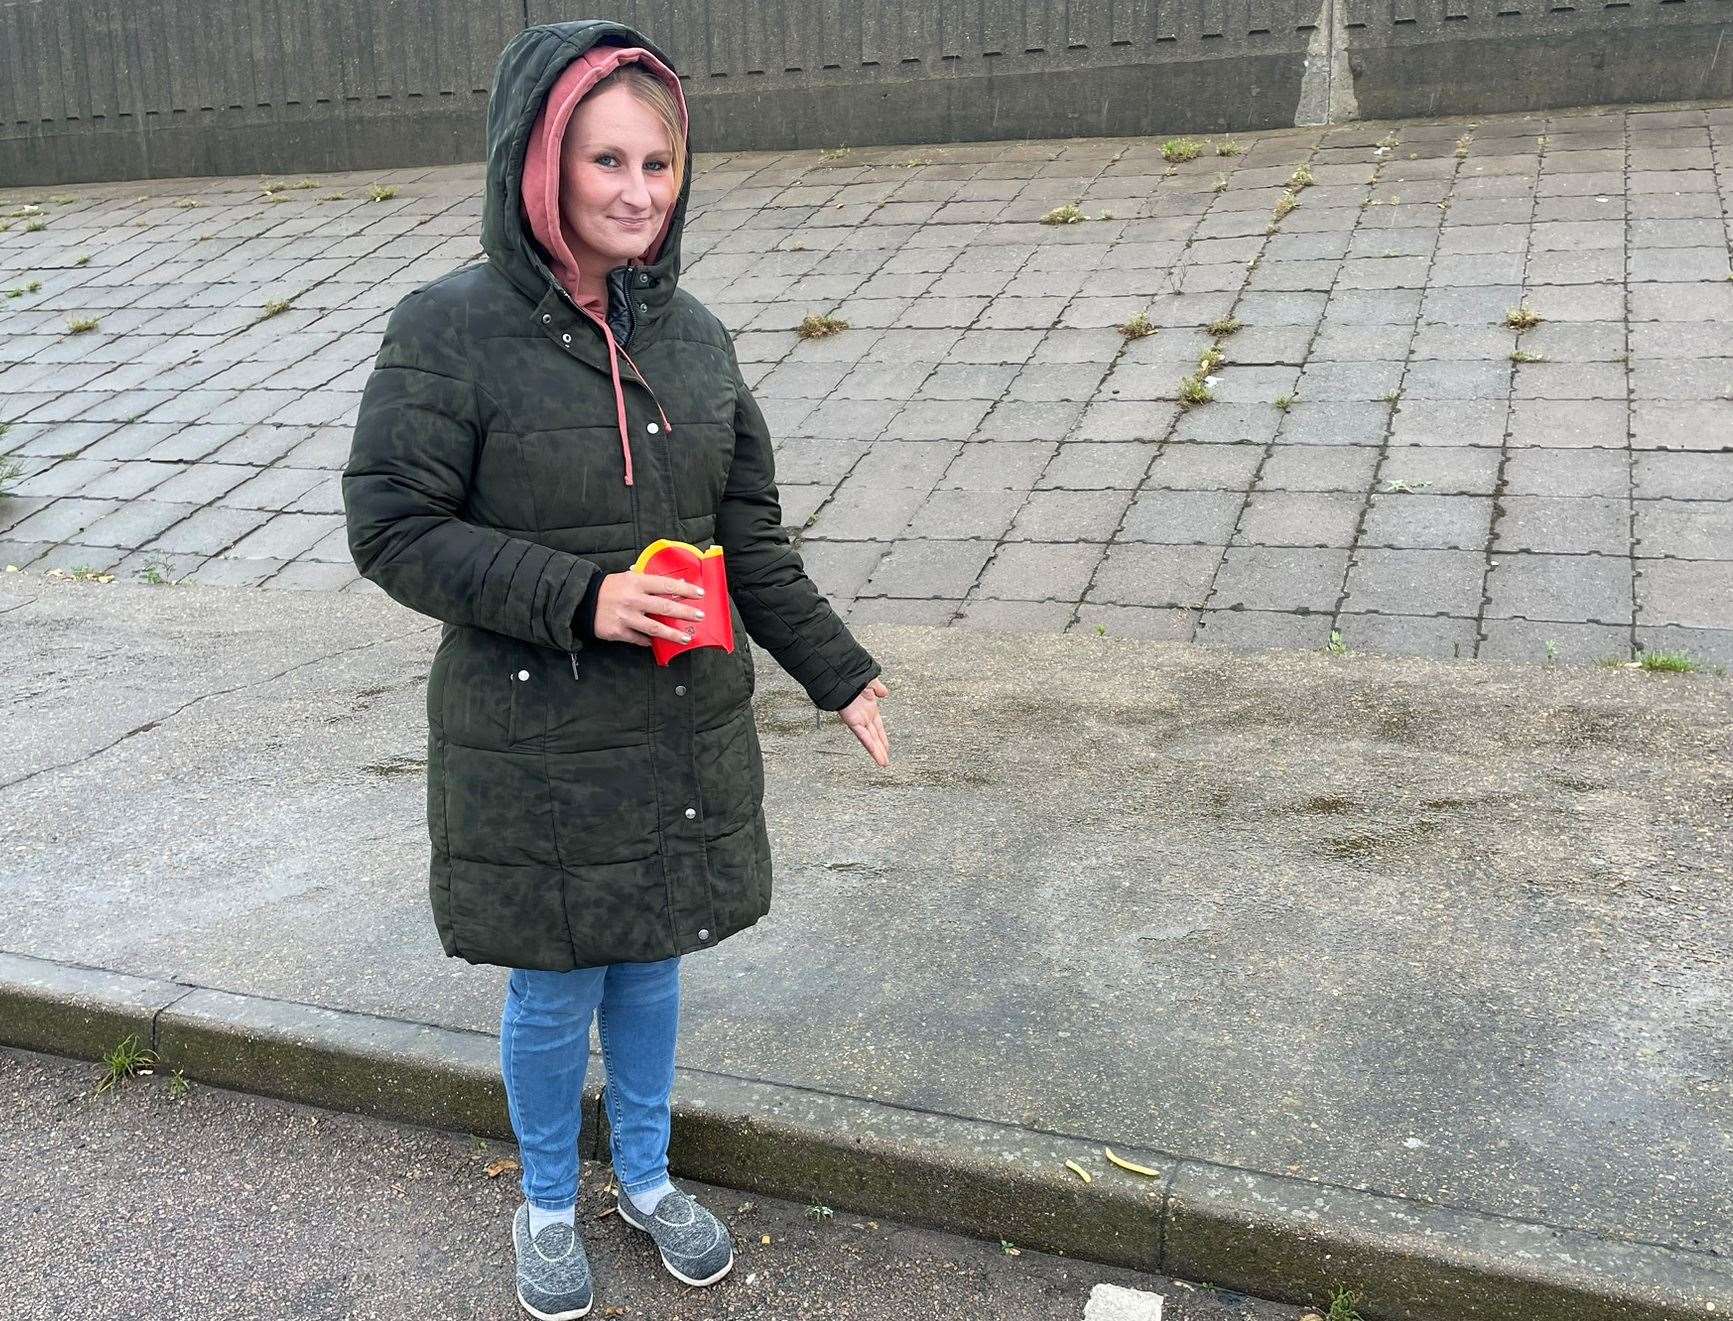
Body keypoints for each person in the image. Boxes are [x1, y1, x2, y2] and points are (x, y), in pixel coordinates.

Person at [342, 19, 890, 1320]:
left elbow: (746, 536)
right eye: (607, 160)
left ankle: (642, 1176)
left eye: (659, 162)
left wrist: (839, 672)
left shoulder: (693, 339)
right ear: (541, 164)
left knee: (651, 959)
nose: (638, 190)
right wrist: (581, 597)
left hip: (676, 728)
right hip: (531, 736)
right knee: (557, 977)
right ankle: (545, 1200)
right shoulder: (447, 333)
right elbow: (393, 527)